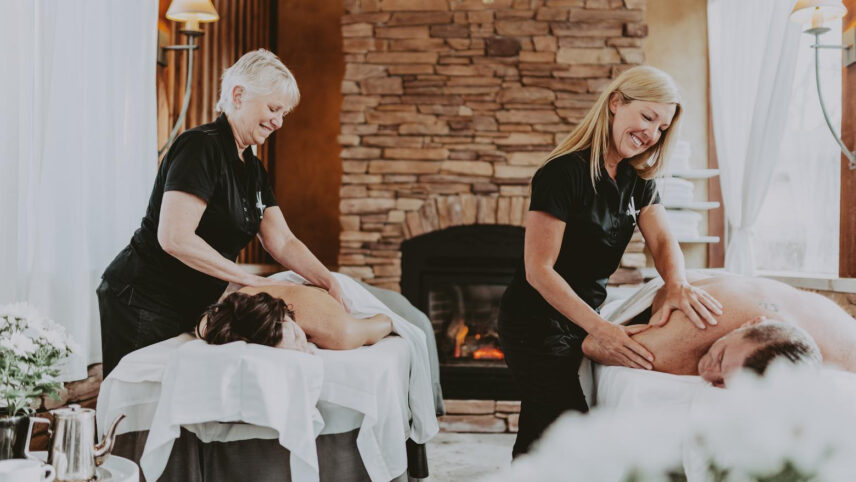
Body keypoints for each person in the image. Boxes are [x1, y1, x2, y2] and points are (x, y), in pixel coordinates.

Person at [497, 65, 724, 458]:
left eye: (662, 127)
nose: (652, 133)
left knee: (541, 434)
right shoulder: (562, 173)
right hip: (534, 324)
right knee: (573, 436)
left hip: (583, 317)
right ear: (616, 103)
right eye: (647, 117)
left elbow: (664, 239)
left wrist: (676, 285)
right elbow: (539, 270)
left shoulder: (638, 178)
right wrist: (601, 330)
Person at [97, 49, 347, 377]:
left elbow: (283, 241)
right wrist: (246, 280)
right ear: (239, 95)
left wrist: (328, 280)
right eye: (273, 108)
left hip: (188, 302)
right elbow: (174, 238)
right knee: (137, 408)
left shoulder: (253, 169)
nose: (278, 121)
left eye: (284, 113)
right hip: (141, 299)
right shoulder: (200, 147)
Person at [584, 274, 856, 386]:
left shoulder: (844, 341)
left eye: (726, 382)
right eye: (720, 356)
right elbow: (591, 344)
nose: (708, 373)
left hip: (737, 282)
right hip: (660, 294)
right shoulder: (688, 335)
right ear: (750, 324)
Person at [196, 285, 393, 352]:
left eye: (299, 338)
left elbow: (386, 321)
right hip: (289, 283)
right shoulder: (227, 318)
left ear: (286, 319)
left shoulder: (340, 332)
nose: (303, 350)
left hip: (355, 291)